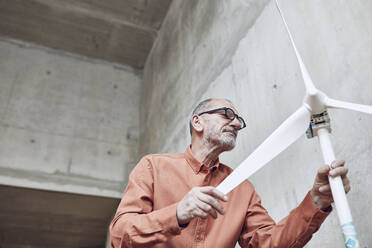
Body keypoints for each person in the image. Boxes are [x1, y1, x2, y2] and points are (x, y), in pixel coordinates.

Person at [110, 98, 350, 248]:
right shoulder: (153, 167)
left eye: (239, 121)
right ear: (197, 123)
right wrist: (178, 213)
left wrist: (317, 201)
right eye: (227, 115)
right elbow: (120, 235)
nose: (236, 124)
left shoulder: (242, 188)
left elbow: (266, 244)